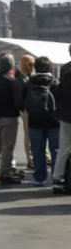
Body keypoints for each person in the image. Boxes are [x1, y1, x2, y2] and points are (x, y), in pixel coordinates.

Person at [23, 56, 60, 186]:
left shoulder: (29, 83)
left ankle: (39, 178)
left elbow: (22, 101)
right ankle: (56, 176)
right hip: (54, 121)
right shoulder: (55, 83)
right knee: (56, 150)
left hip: (34, 121)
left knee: (37, 151)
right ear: (50, 68)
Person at [0, 53, 23, 184]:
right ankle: (5, 174)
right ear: (11, 66)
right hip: (10, 116)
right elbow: (18, 101)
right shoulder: (12, 81)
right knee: (8, 146)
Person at [54, 49, 71, 194]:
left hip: (66, 116)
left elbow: (58, 95)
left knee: (64, 149)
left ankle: (57, 178)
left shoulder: (66, 72)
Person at [17, 55, 36, 171]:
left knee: (38, 134)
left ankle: (45, 156)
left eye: (34, 64)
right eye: (30, 64)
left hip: (35, 109)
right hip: (27, 110)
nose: (33, 66)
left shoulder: (33, 76)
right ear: (24, 65)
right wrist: (24, 109)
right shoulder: (21, 79)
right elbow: (20, 97)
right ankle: (30, 160)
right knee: (28, 135)